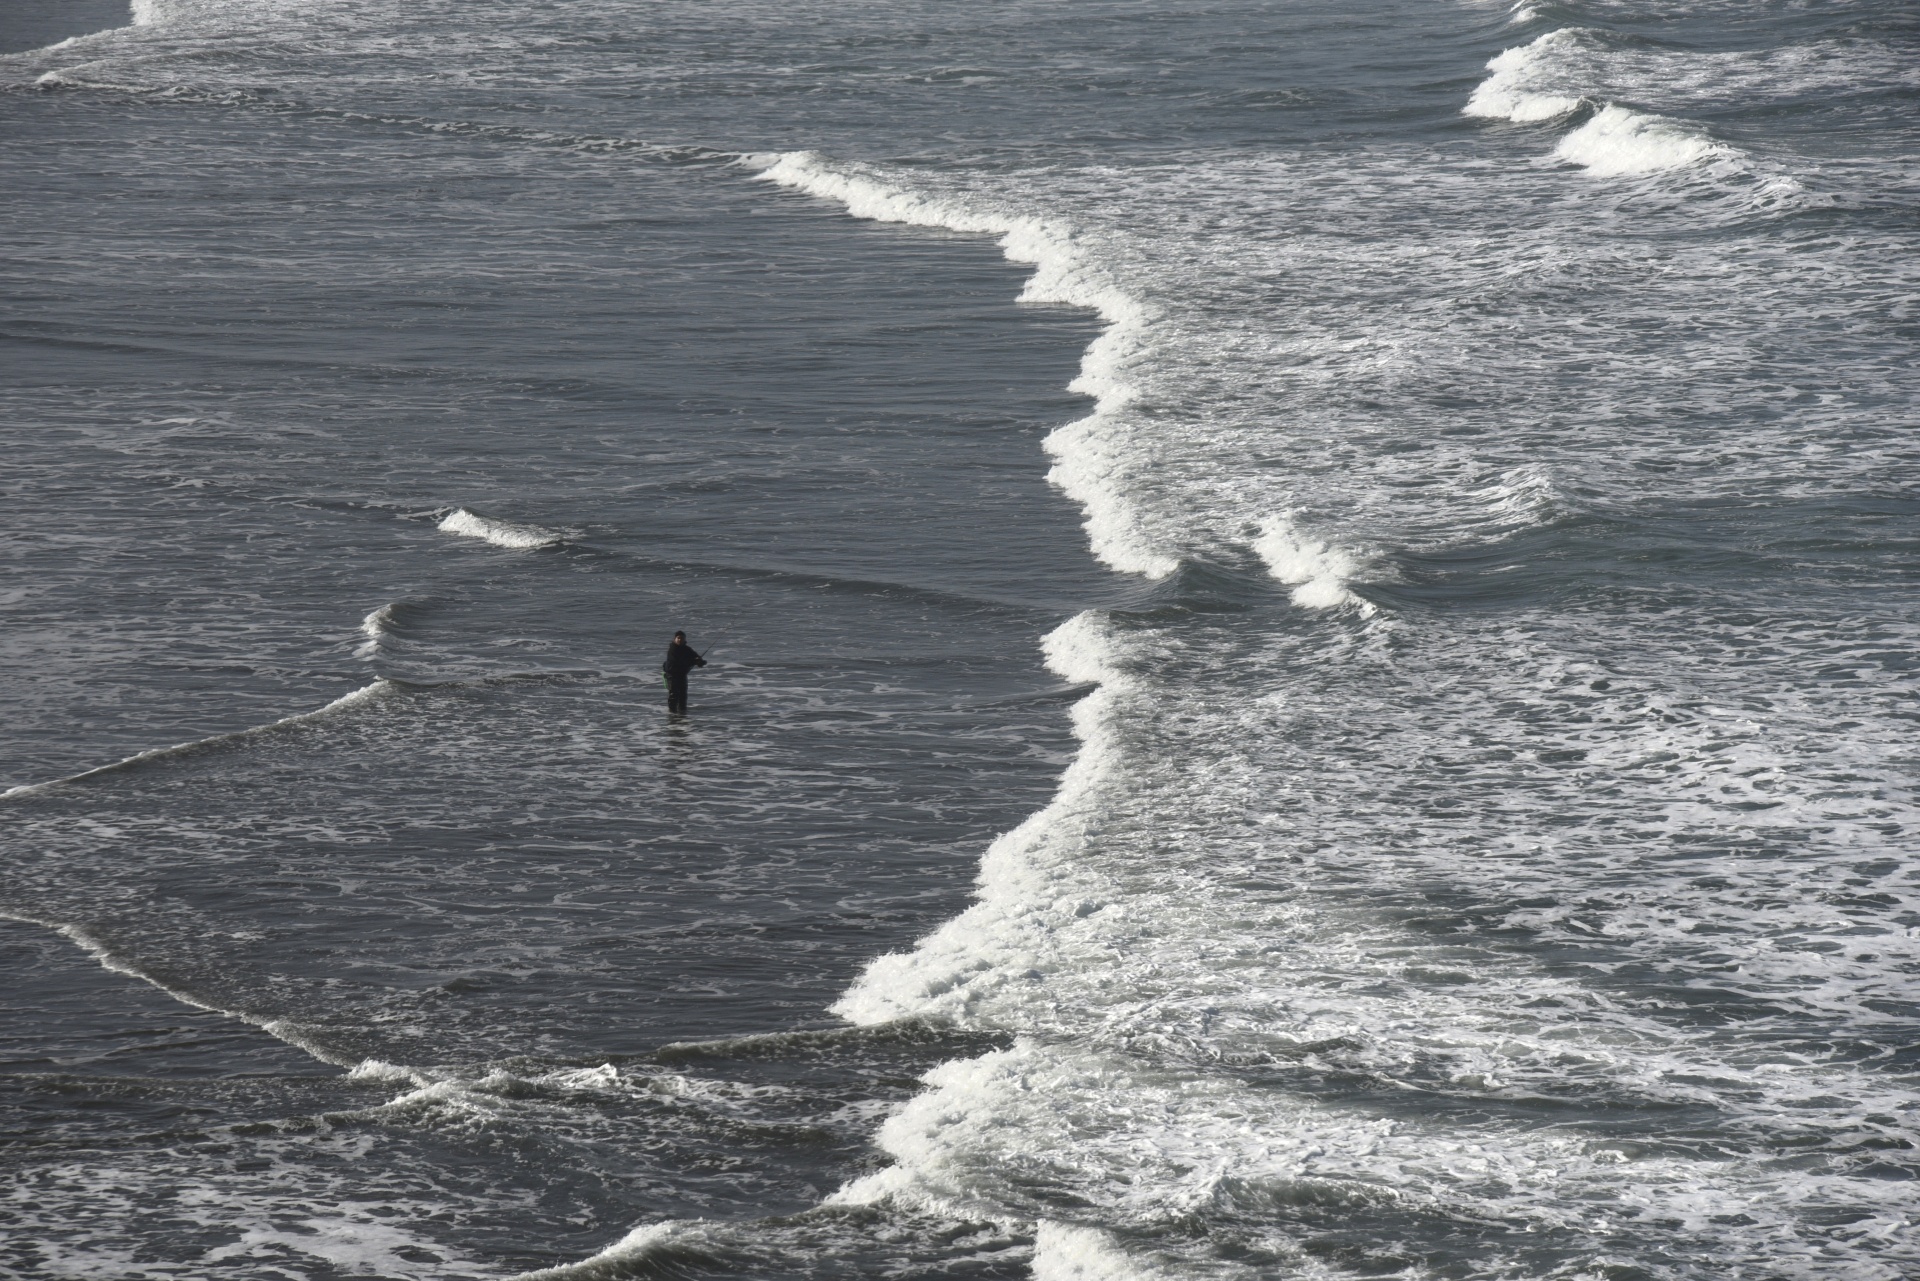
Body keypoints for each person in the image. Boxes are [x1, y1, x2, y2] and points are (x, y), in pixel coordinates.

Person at [661, 631, 706, 715]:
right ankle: (672, 714)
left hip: (682, 674)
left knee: (683, 695)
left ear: (685, 639)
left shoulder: (687, 649)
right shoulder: (672, 649)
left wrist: (700, 662)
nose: (680, 640)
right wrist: (694, 662)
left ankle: (682, 713)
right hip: (672, 674)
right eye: (678, 638)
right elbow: (679, 661)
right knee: (674, 695)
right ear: (675, 639)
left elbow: (695, 656)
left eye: (682, 638)